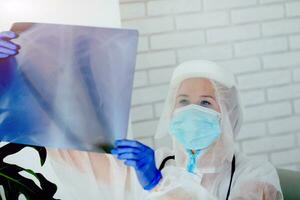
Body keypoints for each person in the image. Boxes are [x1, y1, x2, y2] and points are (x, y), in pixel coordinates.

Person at [0, 31, 283, 199]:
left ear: (229, 115)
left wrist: (160, 183)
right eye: (183, 101)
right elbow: (78, 156)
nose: (191, 111)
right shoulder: (157, 162)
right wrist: (9, 79)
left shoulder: (255, 174)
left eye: (206, 103)